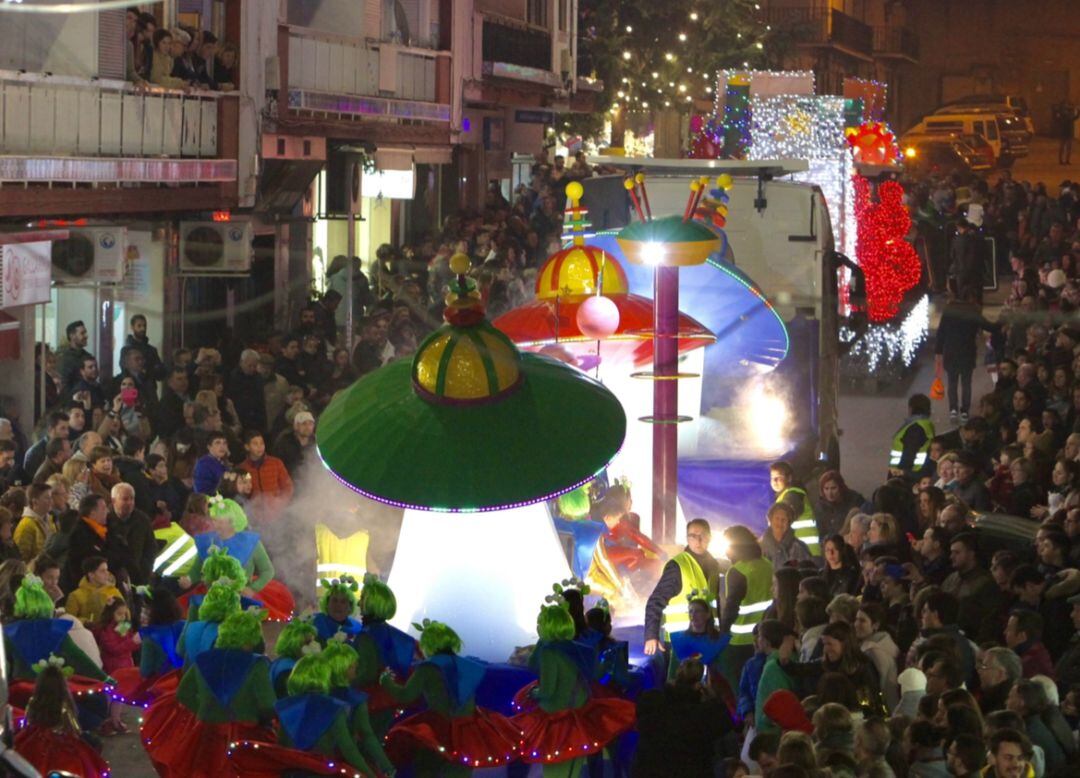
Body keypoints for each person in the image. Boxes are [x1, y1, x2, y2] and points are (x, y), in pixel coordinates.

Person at [141, 610, 276, 777]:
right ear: (253, 637)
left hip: (207, 735)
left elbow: (183, 693)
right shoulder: (257, 664)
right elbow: (267, 704)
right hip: (245, 735)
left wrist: (203, 711)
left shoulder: (203, 659)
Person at [381, 620, 520, 775]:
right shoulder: (469, 666)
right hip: (469, 730)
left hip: (439, 731)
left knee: (426, 769)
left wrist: (386, 682)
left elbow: (405, 696)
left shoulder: (427, 668)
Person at [186, 496, 294, 621]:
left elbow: (268, 571)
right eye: (214, 521)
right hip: (213, 601)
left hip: (243, 601)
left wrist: (253, 589)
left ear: (232, 522)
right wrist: (188, 579)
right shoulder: (207, 542)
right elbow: (198, 568)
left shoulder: (251, 543)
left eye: (220, 522)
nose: (216, 525)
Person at [634, 657, 735, 778]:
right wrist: (713, 699)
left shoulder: (653, 703)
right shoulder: (705, 714)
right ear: (699, 685)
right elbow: (726, 724)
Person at [13, 665, 110, 778]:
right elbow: (74, 728)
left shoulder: (33, 700)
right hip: (61, 741)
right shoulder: (64, 704)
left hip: (34, 739)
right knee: (93, 747)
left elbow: (26, 722)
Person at [353, 575, 418, 737]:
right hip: (397, 701)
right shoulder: (396, 635)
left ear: (371, 602)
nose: (358, 604)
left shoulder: (366, 636)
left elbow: (368, 673)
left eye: (362, 599)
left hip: (374, 703)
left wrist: (343, 683)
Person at [643, 518, 720, 655]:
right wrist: (651, 635)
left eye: (702, 535)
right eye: (693, 536)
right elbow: (656, 600)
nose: (698, 540)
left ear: (710, 537)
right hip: (680, 640)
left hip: (707, 639)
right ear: (687, 538)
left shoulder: (714, 565)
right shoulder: (678, 565)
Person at [718, 525, 774, 690]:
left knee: (739, 684)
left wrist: (722, 632)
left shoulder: (737, 572)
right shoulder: (766, 564)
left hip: (740, 640)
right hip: (765, 634)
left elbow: (731, 607)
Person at [668, 589, 732, 701]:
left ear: (707, 615)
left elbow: (727, 674)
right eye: (690, 611)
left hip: (711, 696)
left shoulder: (718, 642)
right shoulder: (680, 641)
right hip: (683, 697)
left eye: (698, 611)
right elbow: (672, 674)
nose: (693, 615)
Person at [96, 596, 141, 735]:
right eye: (119, 614)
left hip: (124, 665)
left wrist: (134, 642)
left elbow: (128, 645)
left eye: (124, 614)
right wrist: (132, 642)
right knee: (110, 696)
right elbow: (114, 649)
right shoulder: (105, 630)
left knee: (119, 697)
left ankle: (116, 720)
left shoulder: (123, 626)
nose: (122, 617)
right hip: (113, 667)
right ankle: (107, 722)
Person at [238, 430, 293, 523]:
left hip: (277, 515)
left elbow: (288, 486)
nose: (260, 447)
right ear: (247, 447)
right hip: (254, 517)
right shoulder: (243, 468)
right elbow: (241, 493)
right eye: (255, 444)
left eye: (262, 443)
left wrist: (281, 502)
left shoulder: (276, 463)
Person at [769, 461, 820, 556]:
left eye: (779, 477)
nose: (774, 481)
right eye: (772, 478)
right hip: (800, 552)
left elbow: (785, 511)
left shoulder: (794, 494)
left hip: (805, 553)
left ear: (789, 478)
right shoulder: (783, 497)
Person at [64, 556, 123, 626]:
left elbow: (126, 617)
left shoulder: (114, 592)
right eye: (102, 571)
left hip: (112, 634)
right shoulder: (76, 595)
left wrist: (123, 634)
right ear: (91, 575)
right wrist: (86, 622)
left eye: (107, 570)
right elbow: (68, 620)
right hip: (87, 634)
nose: (107, 573)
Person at [889, 394, 935, 480]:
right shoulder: (925, 424)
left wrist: (903, 473)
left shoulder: (915, 427)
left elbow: (910, 452)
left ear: (911, 408)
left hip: (905, 472)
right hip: (915, 470)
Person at [268, 619, 319, 697]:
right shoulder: (289, 670)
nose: (313, 645)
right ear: (295, 644)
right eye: (308, 642)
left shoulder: (280, 662)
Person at [814, 470, 866, 539]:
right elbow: (821, 533)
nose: (830, 493)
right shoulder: (820, 507)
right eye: (826, 489)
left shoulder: (855, 500)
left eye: (833, 488)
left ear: (841, 487)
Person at [759, 503, 813, 568]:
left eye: (783, 520)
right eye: (777, 518)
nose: (780, 522)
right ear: (770, 520)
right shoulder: (759, 547)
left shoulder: (799, 548)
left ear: (789, 523)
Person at [14, 482, 57, 562]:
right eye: (47, 498)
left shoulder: (49, 519)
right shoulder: (26, 525)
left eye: (51, 497)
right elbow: (22, 559)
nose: (52, 501)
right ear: (35, 502)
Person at [312, 575, 362, 643]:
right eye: (334, 600)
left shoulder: (358, 628)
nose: (338, 605)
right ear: (327, 604)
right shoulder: (315, 622)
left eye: (343, 602)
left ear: (350, 607)